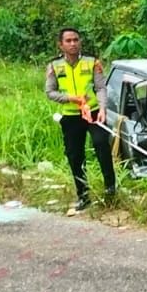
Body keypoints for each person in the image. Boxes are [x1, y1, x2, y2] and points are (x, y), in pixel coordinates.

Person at [44, 28, 116, 215]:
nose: (73, 43)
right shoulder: (54, 66)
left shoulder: (92, 62)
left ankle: (110, 189)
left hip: (92, 112)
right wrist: (70, 98)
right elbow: (50, 92)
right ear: (61, 44)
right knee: (75, 156)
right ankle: (83, 195)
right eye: (68, 40)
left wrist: (102, 109)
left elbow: (101, 87)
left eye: (76, 40)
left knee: (102, 144)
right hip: (71, 114)